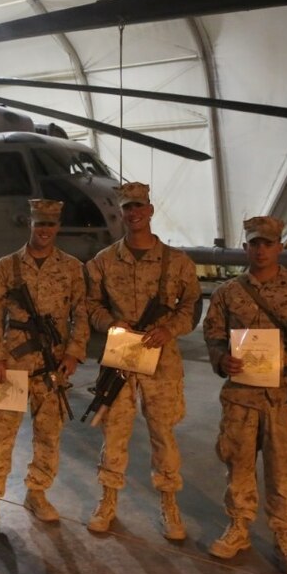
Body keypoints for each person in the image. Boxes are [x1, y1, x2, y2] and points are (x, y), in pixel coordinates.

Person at [203, 216, 287, 574]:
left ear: (279, 247)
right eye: (254, 244)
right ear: (246, 248)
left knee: (282, 469)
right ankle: (238, 528)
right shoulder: (228, 293)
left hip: (283, 397)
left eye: (268, 244)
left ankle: (284, 537)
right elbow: (213, 334)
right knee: (238, 465)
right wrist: (221, 358)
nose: (261, 250)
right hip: (241, 394)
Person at [84, 182, 201, 539]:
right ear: (121, 213)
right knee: (114, 432)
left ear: (150, 210)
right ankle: (107, 501)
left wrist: (170, 329)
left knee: (163, 433)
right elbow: (91, 305)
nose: (134, 213)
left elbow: (192, 306)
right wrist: (110, 323)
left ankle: (169, 506)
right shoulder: (104, 261)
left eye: (139, 206)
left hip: (161, 359)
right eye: (127, 208)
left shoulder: (176, 262)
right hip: (120, 356)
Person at [0, 199, 88, 531]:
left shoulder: (72, 268)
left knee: (49, 434)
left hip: (53, 365)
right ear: (30, 225)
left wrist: (73, 353)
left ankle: (37, 492)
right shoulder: (5, 267)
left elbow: (81, 313)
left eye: (50, 224)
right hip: (11, 363)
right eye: (39, 224)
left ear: (58, 227)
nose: (45, 230)